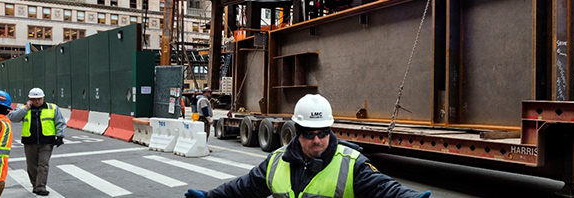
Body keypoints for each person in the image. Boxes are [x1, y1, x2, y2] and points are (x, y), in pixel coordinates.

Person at [184, 94, 429, 198]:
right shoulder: (277, 161)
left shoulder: (351, 164)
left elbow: (384, 189)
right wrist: (210, 196)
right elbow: (243, 188)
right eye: (310, 134)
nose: (317, 140)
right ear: (297, 133)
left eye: (323, 133)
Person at [7, 87, 66, 196]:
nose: (36, 101)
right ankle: (35, 185)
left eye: (39, 99)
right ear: (30, 99)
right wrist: (25, 108)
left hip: (47, 142)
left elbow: (60, 122)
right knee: (32, 165)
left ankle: (40, 187)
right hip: (30, 142)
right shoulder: (24, 108)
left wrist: (60, 136)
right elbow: (13, 118)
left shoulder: (52, 108)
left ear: (43, 98)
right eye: (34, 99)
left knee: (43, 165)